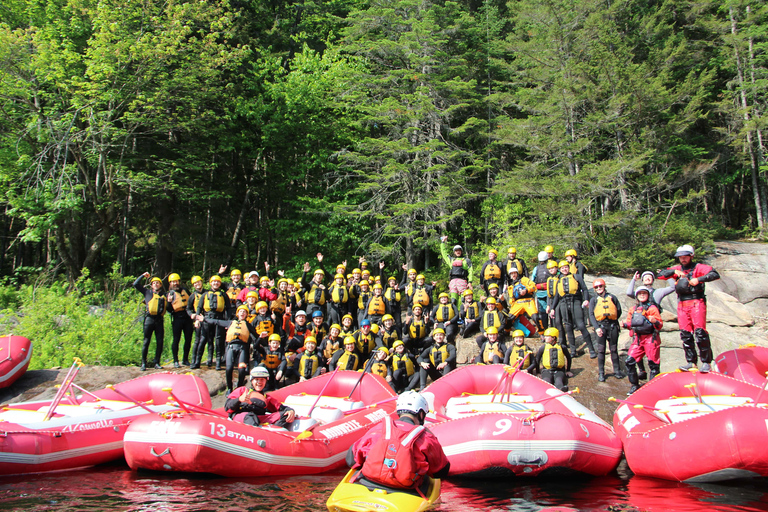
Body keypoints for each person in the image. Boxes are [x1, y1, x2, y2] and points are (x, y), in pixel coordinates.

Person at [347, 391, 450, 492]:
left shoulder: (378, 428)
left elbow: (351, 460)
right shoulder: (426, 437)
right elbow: (441, 472)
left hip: (367, 482)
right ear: (421, 414)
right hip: (405, 490)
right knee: (427, 473)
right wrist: (433, 438)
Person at [656, 245, 720, 372]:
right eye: (680, 257)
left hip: (697, 301)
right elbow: (660, 274)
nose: (683, 259)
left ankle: (706, 362)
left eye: (685, 257)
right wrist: (673, 272)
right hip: (682, 303)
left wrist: (699, 279)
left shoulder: (698, 267)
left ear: (691, 256)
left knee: (700, 333)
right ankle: (691, 362)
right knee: (685, 334)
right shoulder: (677, 269)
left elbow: (714, 274)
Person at [203, 304, 259, 393]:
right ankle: (229, 388)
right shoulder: (230, 323)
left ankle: (239, 388)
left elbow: (257, 336)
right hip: (231, 347)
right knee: (229, 368)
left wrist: (265, 342)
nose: (242, 313)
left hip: (243, 348)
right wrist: (204, 319)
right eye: (241, 311)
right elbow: (216, 322)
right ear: (237, 313)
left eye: (244, 312)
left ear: (246, 314)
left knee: (241, 370)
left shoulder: (248, 325)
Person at [622, 286, 663, 394]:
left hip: (651, 338)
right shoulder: (633, 309)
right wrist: (625, 325)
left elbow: (659, 325)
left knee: (653, 364)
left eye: (644, 293)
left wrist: (655, 321)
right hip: (638, 339)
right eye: (640, 294)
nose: (642, 295)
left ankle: (653, 389)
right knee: (629, 361)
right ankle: (634, 385)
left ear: (648, 295)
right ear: (637, 296)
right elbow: (630, 323)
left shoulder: (652, 308)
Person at [549, 261, 594, 358]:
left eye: (566, 267)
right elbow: (556, 296)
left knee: (581, 325)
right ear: (560, 270)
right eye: (562, 268)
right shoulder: (559, 280)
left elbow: (584, 289)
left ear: (568, 268)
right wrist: (552, 308)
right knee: (568, 327)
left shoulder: (576, 277)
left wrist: (586, 299)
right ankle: (573, 351)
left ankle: (591, 349)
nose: (564, 269)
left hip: (575, 301)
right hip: (564, 303)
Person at [225, 367, 296, 427]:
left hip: (259, 419)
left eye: (262, 380)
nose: (259, 382)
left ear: (266, 381)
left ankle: (272, 433)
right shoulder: (242, 390)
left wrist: (290, 410)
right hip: (241, 416)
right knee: (250, 417)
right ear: (252, 381)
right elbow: (227, 407)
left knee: (285, 415)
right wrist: (239, 399)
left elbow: (281, 407)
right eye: (256, 379)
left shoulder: (266, 398)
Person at [588, 279, 624, 382]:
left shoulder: (612, 297)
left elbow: (618, 310)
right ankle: (601, 373)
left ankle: (617, 371)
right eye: (596, 287)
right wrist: (597, 328)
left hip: (612, 326)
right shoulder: (593, 300)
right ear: (594, 289)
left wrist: (613, 320)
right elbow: (591, 315)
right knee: (601, 350)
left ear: (604, 286)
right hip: (601, 327)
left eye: (600, 286)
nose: (599, 288)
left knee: (614, 349)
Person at [195, 275, 232, 370]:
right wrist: (197, 320)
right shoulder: (205, 294)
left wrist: (228, 322)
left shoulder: (223, 295)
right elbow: (199, 307)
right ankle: (198, 362)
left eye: (218, 282)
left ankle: (218, 363)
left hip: (219, 319)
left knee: (219, 341)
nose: (216, 283)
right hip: (207, 318)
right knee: (204, 339)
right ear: (210, 283)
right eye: (214, 282)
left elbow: (228, 308)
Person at [133, 273, 167, 371]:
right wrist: (143, 276)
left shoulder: (164, 295)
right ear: (151, 285)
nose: (156, 284)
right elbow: (135, 284)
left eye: (158, 283)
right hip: (149, 320)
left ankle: (157, 362)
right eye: (154, 283)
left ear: (160, 285)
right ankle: (143, 363)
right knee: (146, 341)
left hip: (159, 320)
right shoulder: (147, 292)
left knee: (160, 342)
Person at [166, 273, 194, 368]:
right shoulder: (170, 294)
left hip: (187, 317)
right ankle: (175, 360)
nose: (175, 283)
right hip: (177, 318)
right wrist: (169, 302)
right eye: (173, 282)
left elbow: (192, 301)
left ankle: (185, 359)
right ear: (170, 283)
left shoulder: (185, 290)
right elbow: (169, 309)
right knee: (176, 339)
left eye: (176, 281)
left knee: (188, 339)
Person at [440, 236, 473, 303]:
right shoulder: (451, 260)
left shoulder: (466, 260)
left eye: (459, 250)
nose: (458, 252)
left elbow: (471, 271)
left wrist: (470, 282)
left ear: (461, 251)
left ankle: (464, 309)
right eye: (456, 251)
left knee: (464, 300)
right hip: (453, 282)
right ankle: (453, 309)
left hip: (462, 281)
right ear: (454, 252)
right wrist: (442, 242)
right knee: (453, 301)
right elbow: (444, 253)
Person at [530, 251, 552, 331]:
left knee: (542, 311)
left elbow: (532, 280)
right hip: (550, 292)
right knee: (551, 309)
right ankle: (553, 327)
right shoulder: (550, 267)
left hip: (540, 293)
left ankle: (545, 329)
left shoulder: (536, 268)